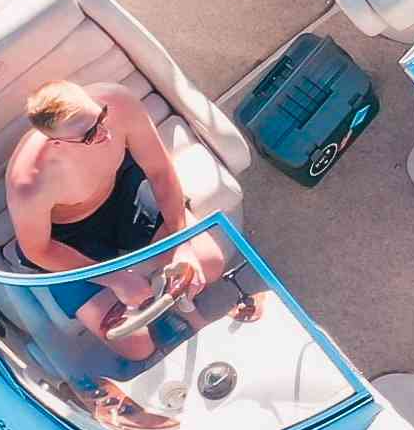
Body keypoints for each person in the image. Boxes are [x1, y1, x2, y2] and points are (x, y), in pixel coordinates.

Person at [15, 79, 246, 338]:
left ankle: (187, 316)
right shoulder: (30, 180)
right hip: (68, 237)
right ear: (57, 143)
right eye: (90, 135)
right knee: (135, 344)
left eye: (101, 117)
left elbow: (159, 171)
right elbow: (37, 249)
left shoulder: (117, 101)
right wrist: (116, 278)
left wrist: (182, 243)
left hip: (122, 194)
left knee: (209, 265)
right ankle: (164, 322)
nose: (107, 133)